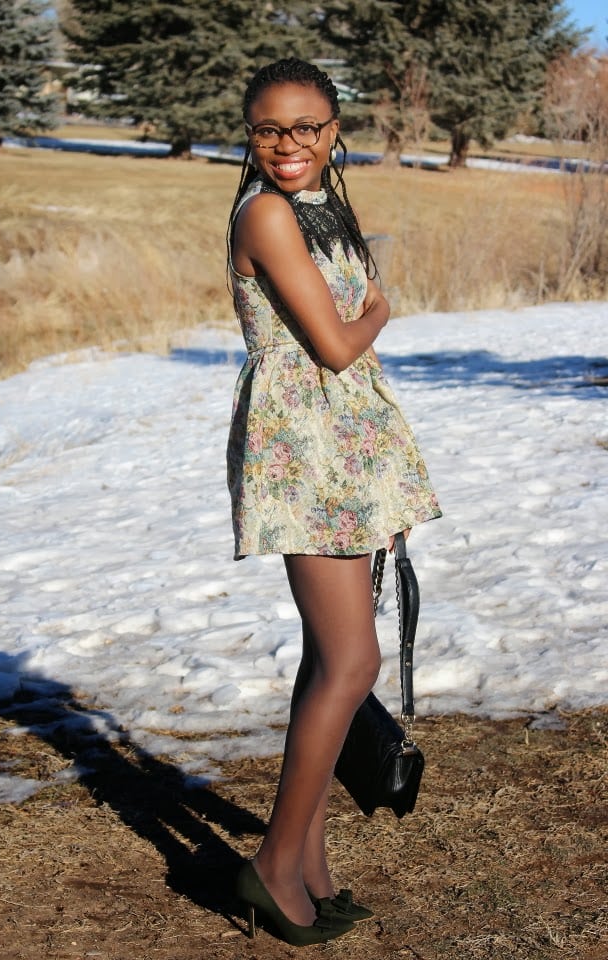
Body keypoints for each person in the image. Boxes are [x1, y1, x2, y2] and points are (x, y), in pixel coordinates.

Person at [226, 58, 441, 946]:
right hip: (303, 453)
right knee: (352, 664)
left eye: (307, 127)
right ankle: (273, 868)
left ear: (334, 128)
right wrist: (382, 309)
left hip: (342, 451)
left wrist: (382, 473)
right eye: (271, 128)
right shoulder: (267, 214)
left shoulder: (322, 202)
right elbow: (337, 344)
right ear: (248, 131)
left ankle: (309, 866)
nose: (290, 144)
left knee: (333, 660)